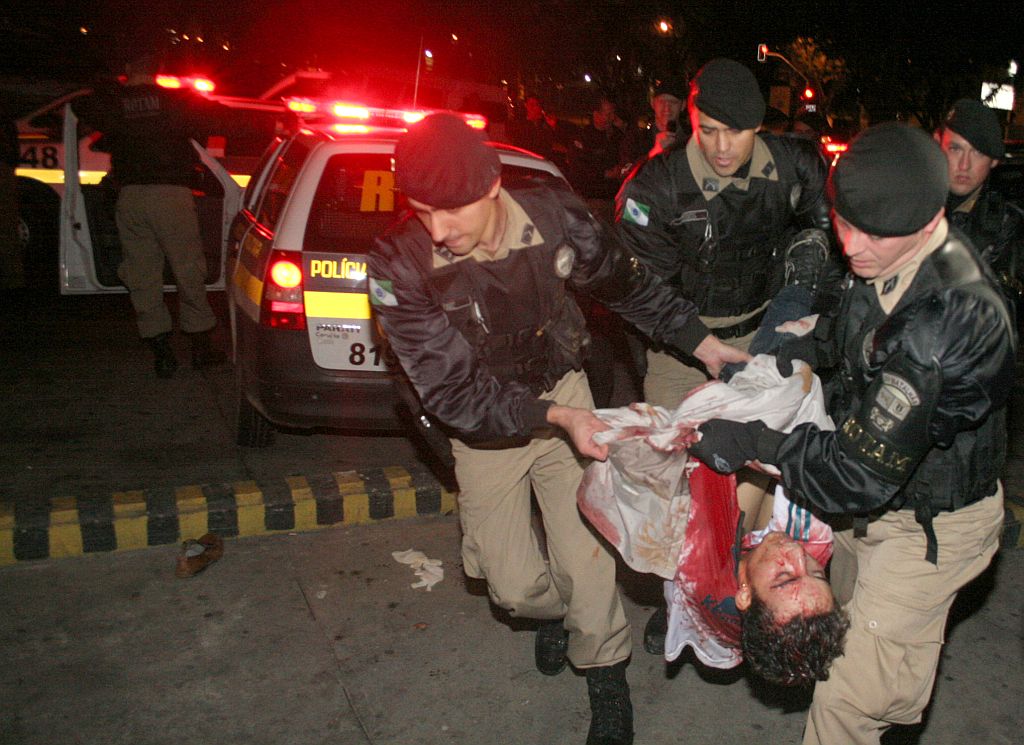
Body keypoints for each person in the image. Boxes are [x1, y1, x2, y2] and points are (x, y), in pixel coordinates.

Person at [367, 113, 747, 745]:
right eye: (422, 212)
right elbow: (454, 394)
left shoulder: (555, 217)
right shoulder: (397, 264)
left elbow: (628, 285)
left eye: (452, 211)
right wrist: (556, 419)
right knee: (509, 585)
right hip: (485, 424)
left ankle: (606, 674)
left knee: (585, 557)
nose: (437, 230)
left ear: (491, 186)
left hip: (562, 388)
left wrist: (702, 344)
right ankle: (557, 616)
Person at [688, 122, 1015, 744]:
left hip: (927, 528)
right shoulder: (893, 248)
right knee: (828, 633)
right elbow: (863, 321)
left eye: (874, 234)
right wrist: (812, 343)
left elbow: (854, 473)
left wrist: (756, 443)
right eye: (844, 223)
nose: (854, 246)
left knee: (850, 700)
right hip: (870, 508)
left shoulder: (952, 323)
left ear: (929, 223)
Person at [614, 57, 835, 648]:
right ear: (690, 119)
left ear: (758, 125)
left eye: (734, 132)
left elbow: (829, 227)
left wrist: (810, 266)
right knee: (681, 490)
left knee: (752, 476)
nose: (719, 147)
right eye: (706, 129)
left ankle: (736, 580)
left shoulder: (795, 165)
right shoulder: (654, 187)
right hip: (681, 345)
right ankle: (682, 589)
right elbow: (634, 287)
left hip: (765, 335)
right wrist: (699, 343)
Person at [72, 54, 227, 378]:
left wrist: (112, 89)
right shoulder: (174, 101)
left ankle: (161, 353)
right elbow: (217, 117)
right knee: (188, 269)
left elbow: (80, 106)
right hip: (171, 196)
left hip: (131, 198)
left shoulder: (115, 104)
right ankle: (201, 348)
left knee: (142, 274)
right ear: (159, 70)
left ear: (128, 69)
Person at [934, 98, 1024, 314]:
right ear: (938, 144)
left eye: (978, 152)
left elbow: (1001, 310)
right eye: (955, 149)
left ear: (994, 160)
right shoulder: (912, 207)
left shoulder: (1008, 225)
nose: (964, 165)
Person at [628, 74, 689, 162]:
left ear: (683, 105)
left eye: (673, 102)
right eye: (662, 101)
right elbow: (627, 169)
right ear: (653, 103)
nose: (667, 108)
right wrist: (654, 152)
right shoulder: (637, 139)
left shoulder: (692, 138)